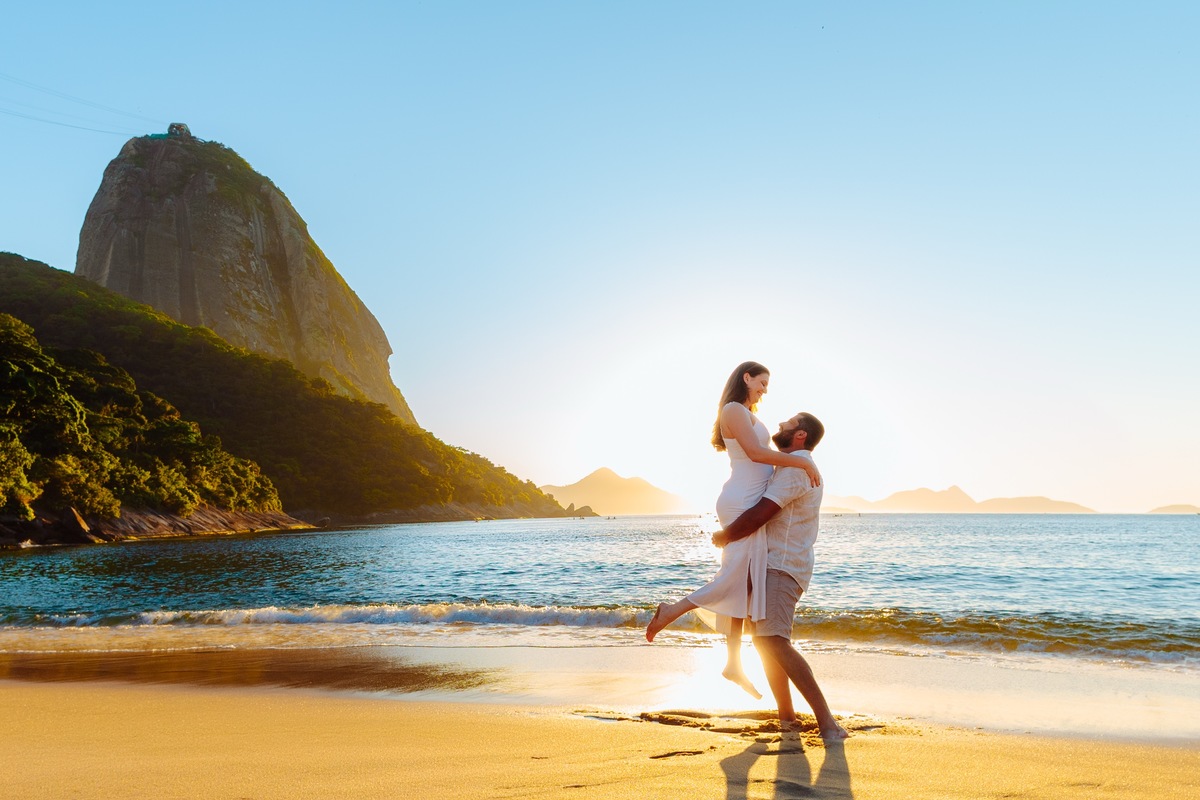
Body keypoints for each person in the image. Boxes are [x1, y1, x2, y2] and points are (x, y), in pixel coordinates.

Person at [645, 362, 822, 698]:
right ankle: (673, 611)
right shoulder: (733, 409)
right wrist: (801, 460)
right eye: (762, 382)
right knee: (734, 577)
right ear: (746, 378)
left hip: (749, 496)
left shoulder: (748, 413)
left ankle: (733, 663)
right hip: (742, 501)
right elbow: (756, 454)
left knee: (746, 579)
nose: (765, 389)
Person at [712, 411, 849, 740]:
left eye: (790, 422)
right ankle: (787, 717)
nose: (781, 424)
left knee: (773, 640)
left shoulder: (797, 467)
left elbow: (763, 513)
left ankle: (827, 722)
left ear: (800, 435)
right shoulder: (790, 465)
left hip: (783, 565)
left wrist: (726, 535)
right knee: (764, 642)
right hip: (773, 563)